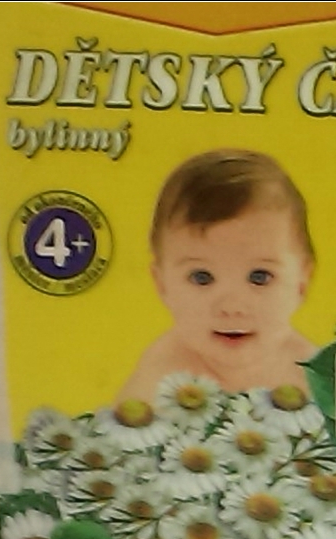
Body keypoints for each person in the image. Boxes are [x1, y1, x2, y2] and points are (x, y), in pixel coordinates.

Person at [119, 149, 318, 405]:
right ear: (162, 284)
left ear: (302, 281)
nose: (232, 306)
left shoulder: (310, 372)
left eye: (259, 277)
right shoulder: (161, 371)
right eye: (202, 277)